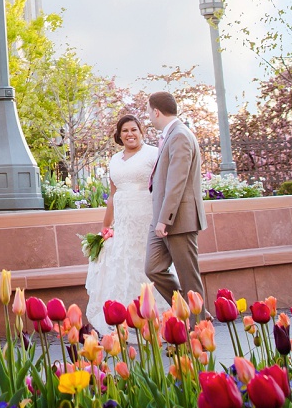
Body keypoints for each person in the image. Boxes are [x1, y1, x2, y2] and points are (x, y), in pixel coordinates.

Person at [84, 113, 161, 330]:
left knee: (147, 263)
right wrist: (106, 227)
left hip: (147, 216)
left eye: (133, 129)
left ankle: (155, 315)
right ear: (119, 135)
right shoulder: (114, 160)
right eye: (125, 131)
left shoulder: (153, 154)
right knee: (125, 265)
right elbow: (112, 196)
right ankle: (127, 317)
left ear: (141, 132)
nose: (130, 134)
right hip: (124, 222)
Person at [145, 89, 205, 304]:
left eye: (149, 112)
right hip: (161, 219)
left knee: (190, 280)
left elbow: (176, 181)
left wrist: (164, 219)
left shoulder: (180, 135)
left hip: (177, 219)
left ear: (157, 112)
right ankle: (189, 310)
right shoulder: (170, 135)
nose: (149, 117)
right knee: (153, 269)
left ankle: (198, 326)